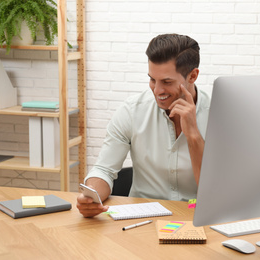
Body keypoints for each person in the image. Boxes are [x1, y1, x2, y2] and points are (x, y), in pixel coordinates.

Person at [77, 34, 211, 217]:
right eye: (152, 80)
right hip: (142, 219)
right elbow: (104, 169)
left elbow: (214, 191)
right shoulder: (132, 111)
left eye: (167, 82)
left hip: (195, 215)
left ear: (193, 76)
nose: (157, 91)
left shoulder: (218, 115)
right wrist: (92, 197)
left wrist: (193, 135)